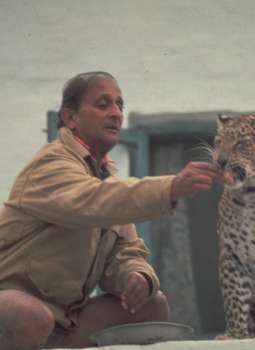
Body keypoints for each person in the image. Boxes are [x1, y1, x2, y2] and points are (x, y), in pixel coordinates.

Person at [0, 71, 224, 349]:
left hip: (64, 322)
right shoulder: (49, 165)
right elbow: (91, 201)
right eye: (103, 104)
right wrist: (171, 187)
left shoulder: (105, 178)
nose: (116, 113)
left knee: (153, 305)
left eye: (120, 105)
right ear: (70, 118)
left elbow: (127, 250)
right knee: (27, 314)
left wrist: (136, 276)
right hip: (12, 310)